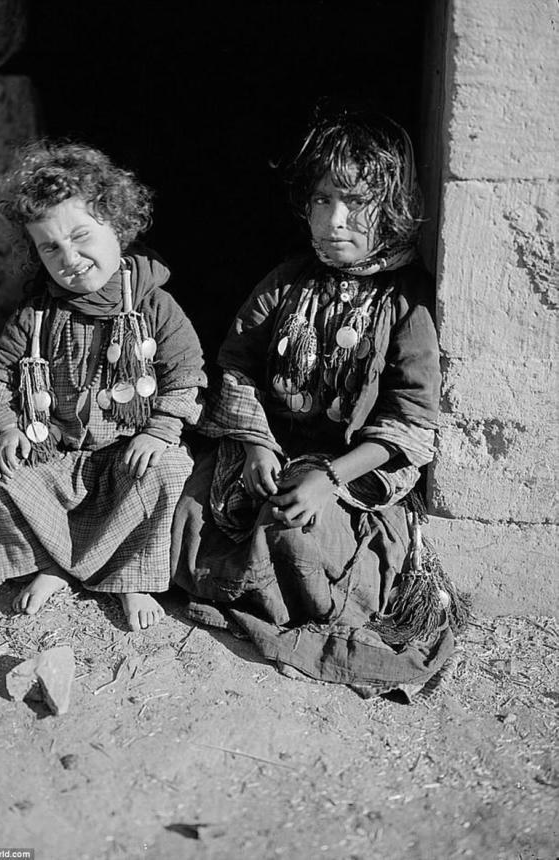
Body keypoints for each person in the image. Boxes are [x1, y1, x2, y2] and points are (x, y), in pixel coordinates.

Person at [172, 107, 465, 697]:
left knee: (293, 530)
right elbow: (237, 363)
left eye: (356, 203)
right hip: (273, 448)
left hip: (349, 470)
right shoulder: (285, 282)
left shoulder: (405, 305)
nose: (336, 220)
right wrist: (254, 444)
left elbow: (409, 420)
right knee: (187, 510)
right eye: (323, 199)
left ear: (392, 210)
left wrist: (329, 480)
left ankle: (289, 588)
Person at [0, 141, 205, 630]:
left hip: (126, 454)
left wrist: (158, 430)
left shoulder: (154, 305)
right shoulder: (36, 315)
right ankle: (51, 565)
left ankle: (131, 577)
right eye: (50, 247)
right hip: (58, 455)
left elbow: (187, 375)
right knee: (0, 478)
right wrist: (6, 428)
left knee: (167, 471)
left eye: (81, 236)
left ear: (119, 227)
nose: (70, 257)